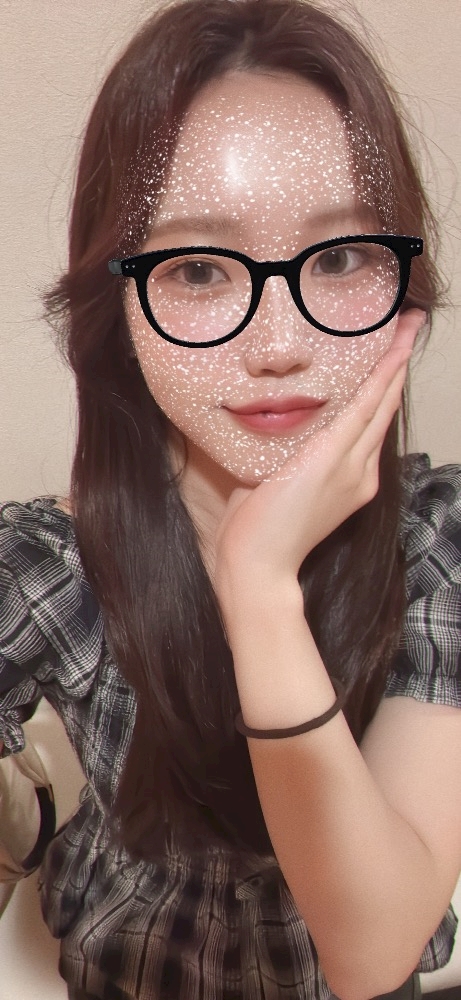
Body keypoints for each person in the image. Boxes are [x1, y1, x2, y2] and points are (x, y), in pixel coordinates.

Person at [1, 0, 460, 997]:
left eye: (338, 258)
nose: (279, 342)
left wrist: (260, 588)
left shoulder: (438, 543)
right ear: (117, 310)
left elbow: (372, 949)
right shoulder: (47, 565)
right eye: (200, 268)